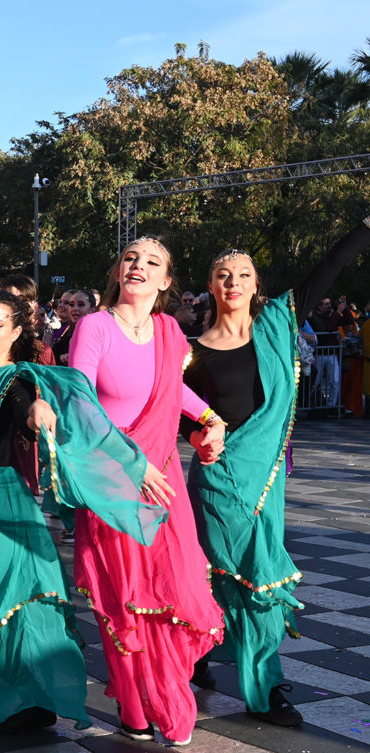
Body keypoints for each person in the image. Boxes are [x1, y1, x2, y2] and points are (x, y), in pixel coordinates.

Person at [0, 289, 167, 747]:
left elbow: (28, 410)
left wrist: (38, 413)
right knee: (13, 606)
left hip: (1, 504)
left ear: (15, 332)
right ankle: (30, 708)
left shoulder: (16, 380)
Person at [184, 217, 370, 726]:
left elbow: (328, 268)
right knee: (235, 577)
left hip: (266, 478)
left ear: (255, 285)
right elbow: (183, 417)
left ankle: (213, 659)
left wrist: (364, 226)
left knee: (250, 579)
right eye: (224, 274)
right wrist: (200, 437)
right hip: (217, 480)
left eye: (243, 274)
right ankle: (257, 686)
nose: (234, 282)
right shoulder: (190, 350)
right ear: (211, 285)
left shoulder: (277, 325)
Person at [69, 236, 226, 746]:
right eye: (131, 258)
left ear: (164, 282)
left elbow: (171, 389)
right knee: (127, 603)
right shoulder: (93, 326)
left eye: (152, 262)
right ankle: (137, 708)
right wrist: (129, 464)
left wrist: (207, 416)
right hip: (113, 484)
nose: (138, 266)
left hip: (163, 481)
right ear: (117, 271)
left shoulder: (167, 330)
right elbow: (80, 403)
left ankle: (168, 697)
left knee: (174, 588)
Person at [53, 290, 93, 365]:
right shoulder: (61, 333)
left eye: (80, 304)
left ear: (92, 309)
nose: (75, 308)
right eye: (71, 304)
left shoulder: (97, 335)